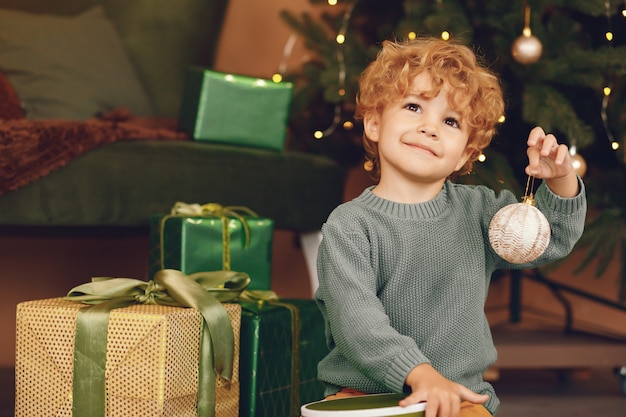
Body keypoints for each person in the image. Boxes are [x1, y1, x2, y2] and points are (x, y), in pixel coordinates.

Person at [313, 37, 586, 417]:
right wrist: (418, 373)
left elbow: (549, 239)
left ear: (466, 154)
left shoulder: (478, 213)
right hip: (363, 396)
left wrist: (560, 181)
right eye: (413, 106)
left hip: (459, 395)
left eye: (450, 121)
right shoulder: (350, 226)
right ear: (374, 123)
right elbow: (355, 321)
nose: (430, 128)